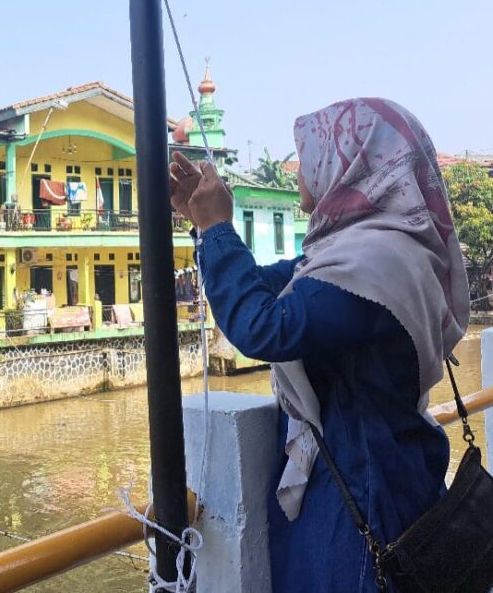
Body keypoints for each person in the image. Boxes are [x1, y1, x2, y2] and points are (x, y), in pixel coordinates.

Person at [169, 98, 469, 592]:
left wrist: (216, 228)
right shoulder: (359, 251)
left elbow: (263, 327)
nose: (302, 169)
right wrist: (206, 229)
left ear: (349, 161)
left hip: (364, 487)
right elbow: (266, 286)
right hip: (378, 468)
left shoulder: (375, 263)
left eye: (311, 153)